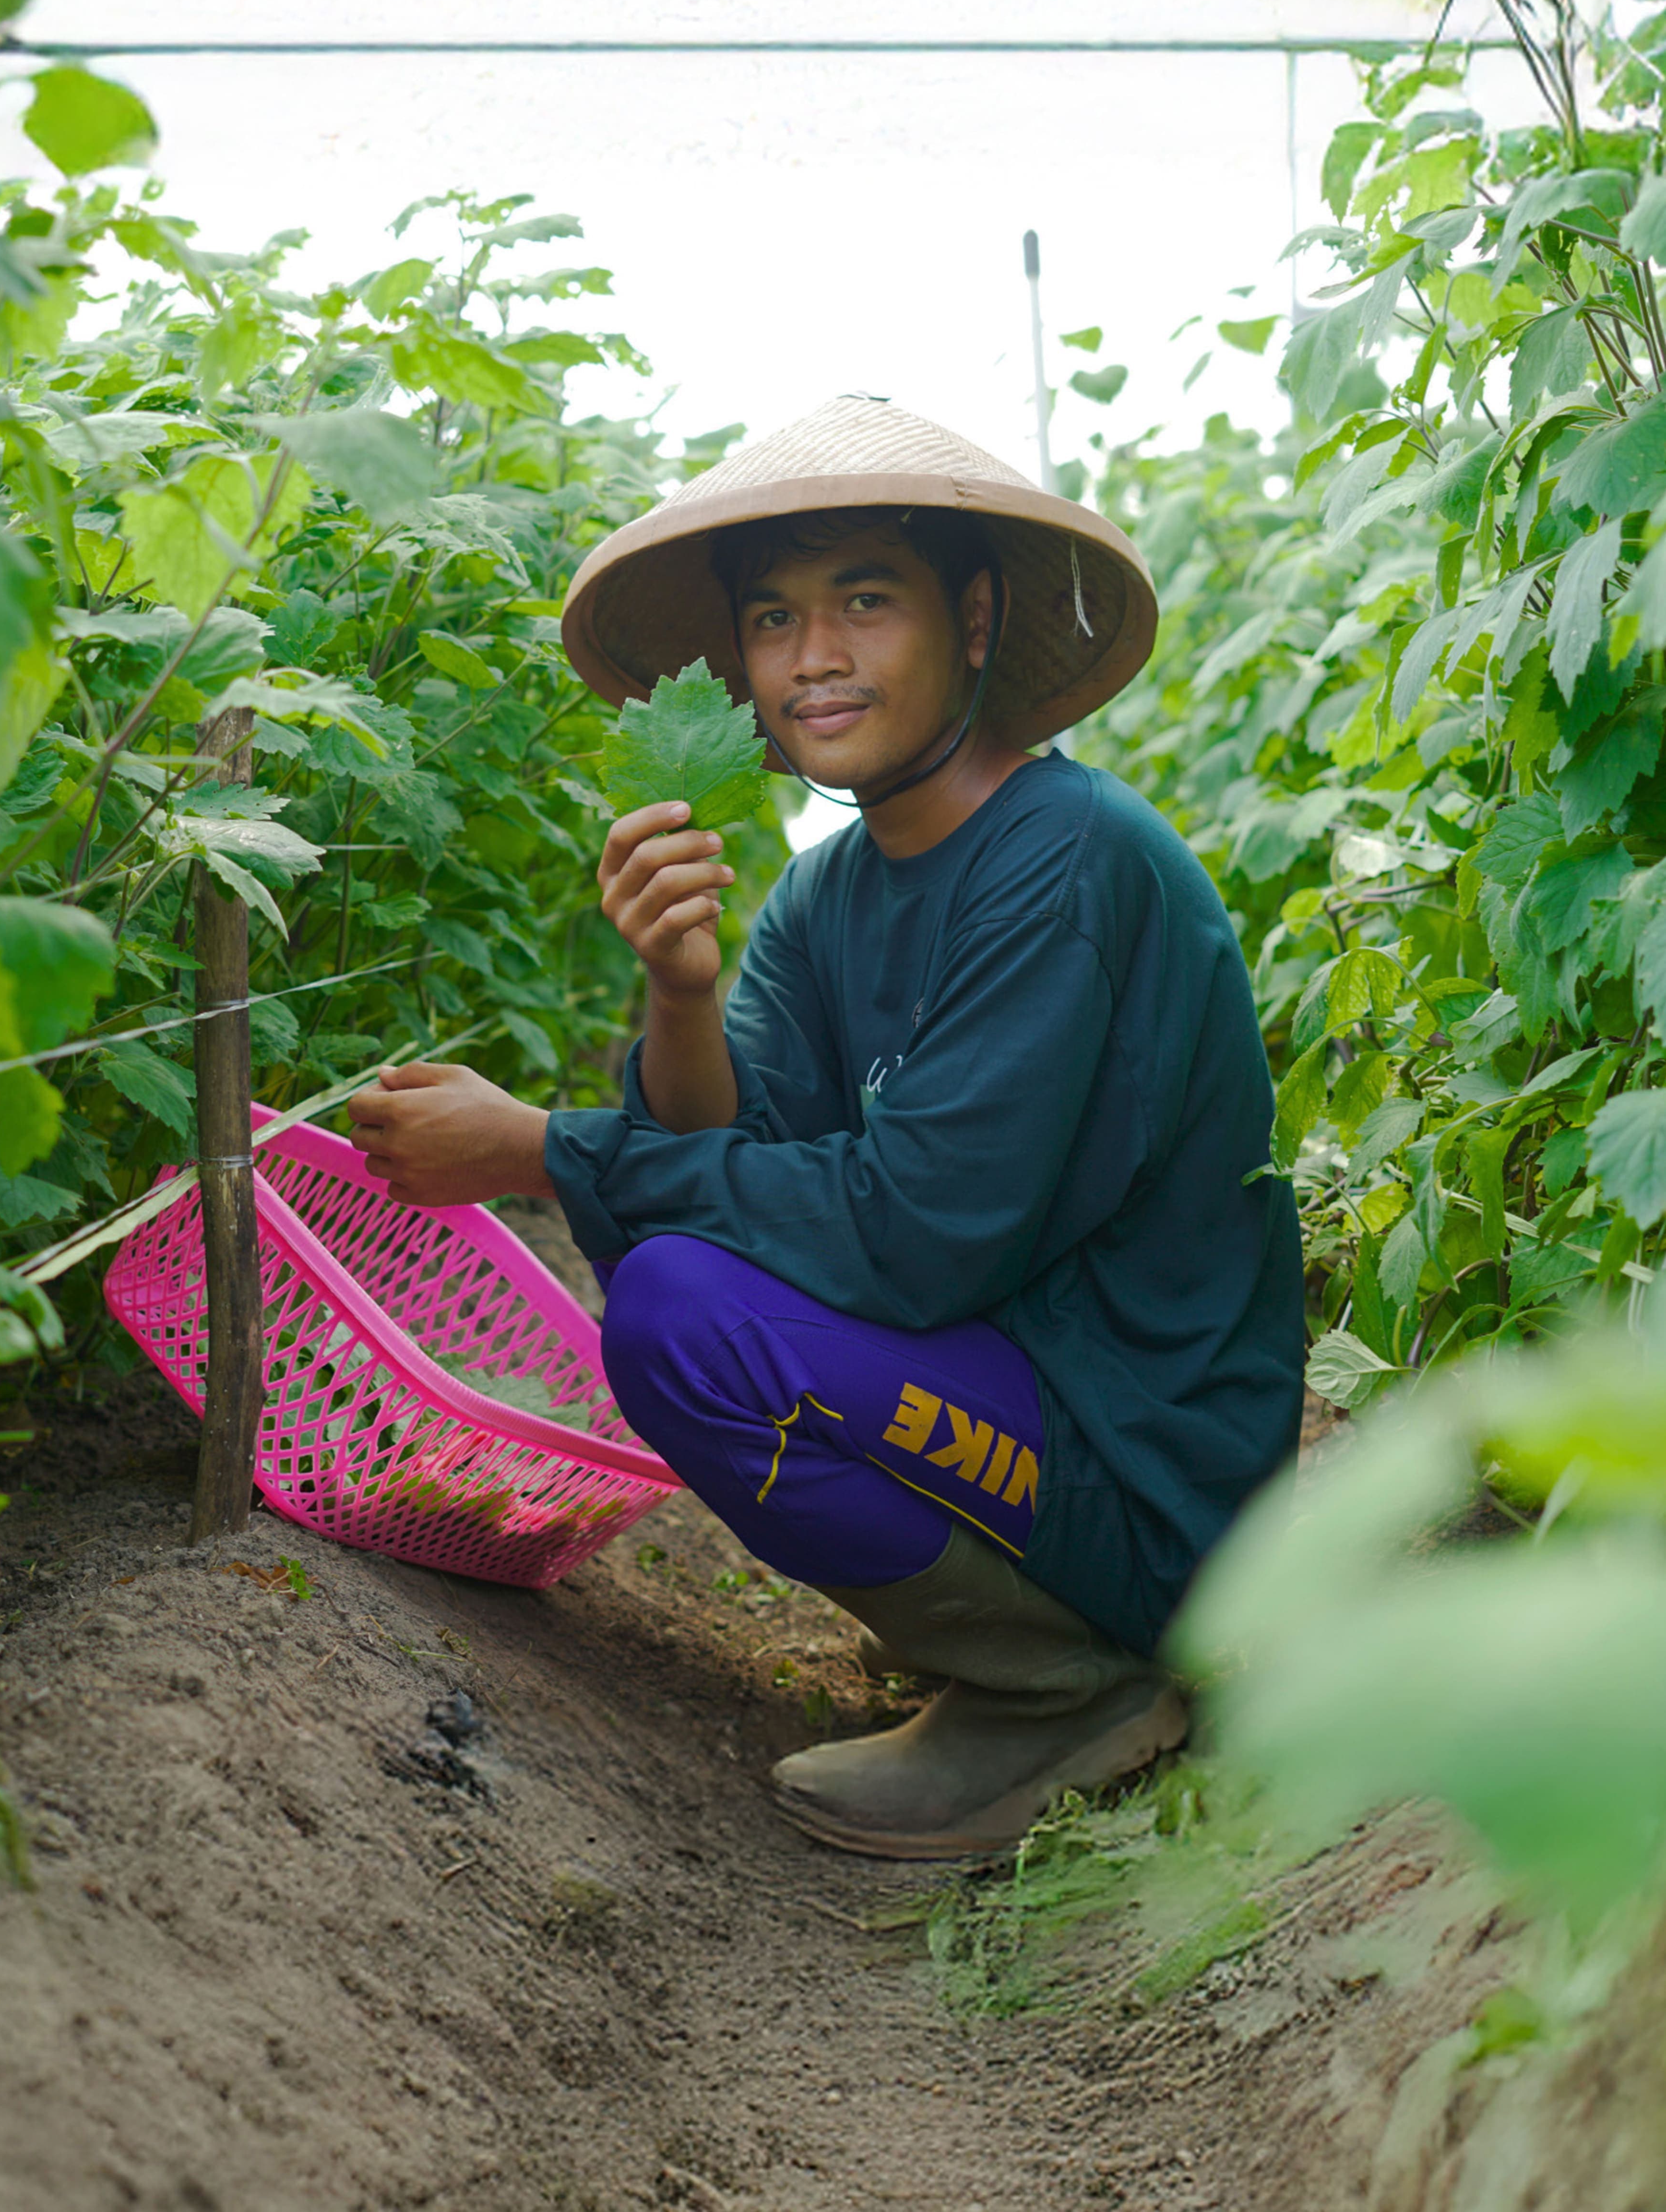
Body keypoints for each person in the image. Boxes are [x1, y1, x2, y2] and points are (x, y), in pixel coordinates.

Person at [347, 396, 1306, 1859]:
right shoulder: (826, 893)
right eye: (777, 617)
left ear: (973, 621)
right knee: (689, 1278)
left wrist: (547, 1146)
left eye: (866, 599)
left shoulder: (1065, 861)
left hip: (1143, 1473)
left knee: (684, 1318)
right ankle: (1020, 1647)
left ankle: (1065, 1682)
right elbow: (734, 1174)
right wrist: (681, 991)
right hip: (1017, 1396)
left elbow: (913, 1239)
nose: (816, 658)